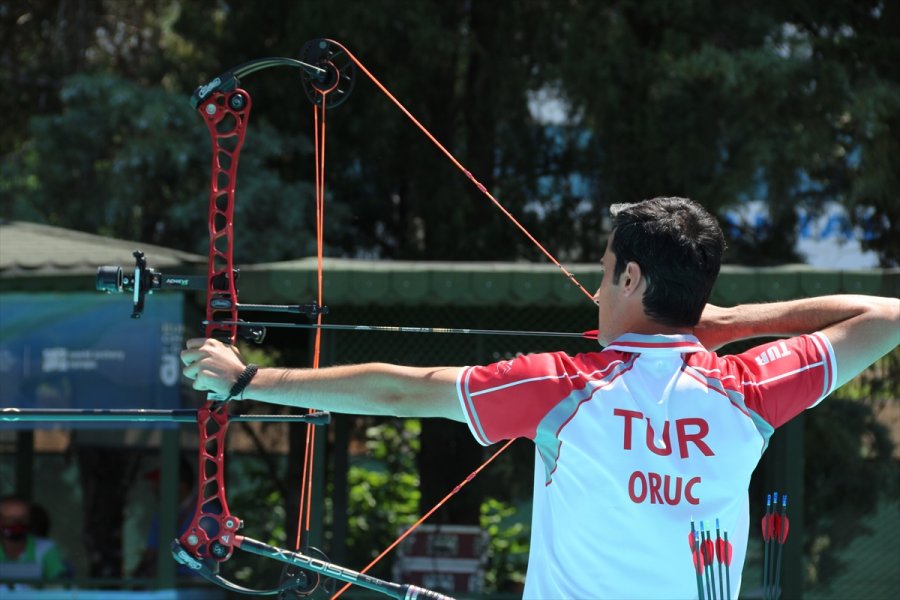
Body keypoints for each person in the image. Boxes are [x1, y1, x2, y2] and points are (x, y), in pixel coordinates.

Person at [180, 197, 899, 599]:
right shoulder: (751, 388)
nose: (595, 285)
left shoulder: (565, 387)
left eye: (605, 268)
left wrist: (247, 380)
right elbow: (887, 317)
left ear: (632, 281)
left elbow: (404, 390)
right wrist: (733, 326)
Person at [0, 494, 68, 587]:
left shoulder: (45, 548)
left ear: (29, 520)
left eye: (22, 518)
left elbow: (60, 585)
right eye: (10, 518)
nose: (16, 523)